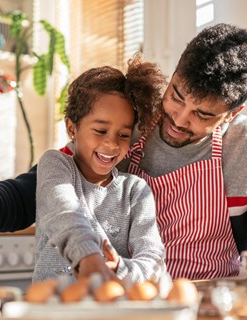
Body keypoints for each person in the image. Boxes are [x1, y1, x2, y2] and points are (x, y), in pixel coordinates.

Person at [0, 23, 247, 280]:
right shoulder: (128, 126)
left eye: (202, 115)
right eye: (176, 96)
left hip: (209, 303)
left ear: (231, 114)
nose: (178, 118)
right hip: (128, 304)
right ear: (173, 77)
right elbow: (44, 190)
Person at [33, 55, 166, 283]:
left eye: (123, 135)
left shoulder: (134, 190)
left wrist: (120, 269)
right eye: (100, 131)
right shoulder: (55, 165)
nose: (112, 144)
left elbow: (153, 258)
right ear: (72, 128)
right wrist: (89, 257)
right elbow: (64, 212)